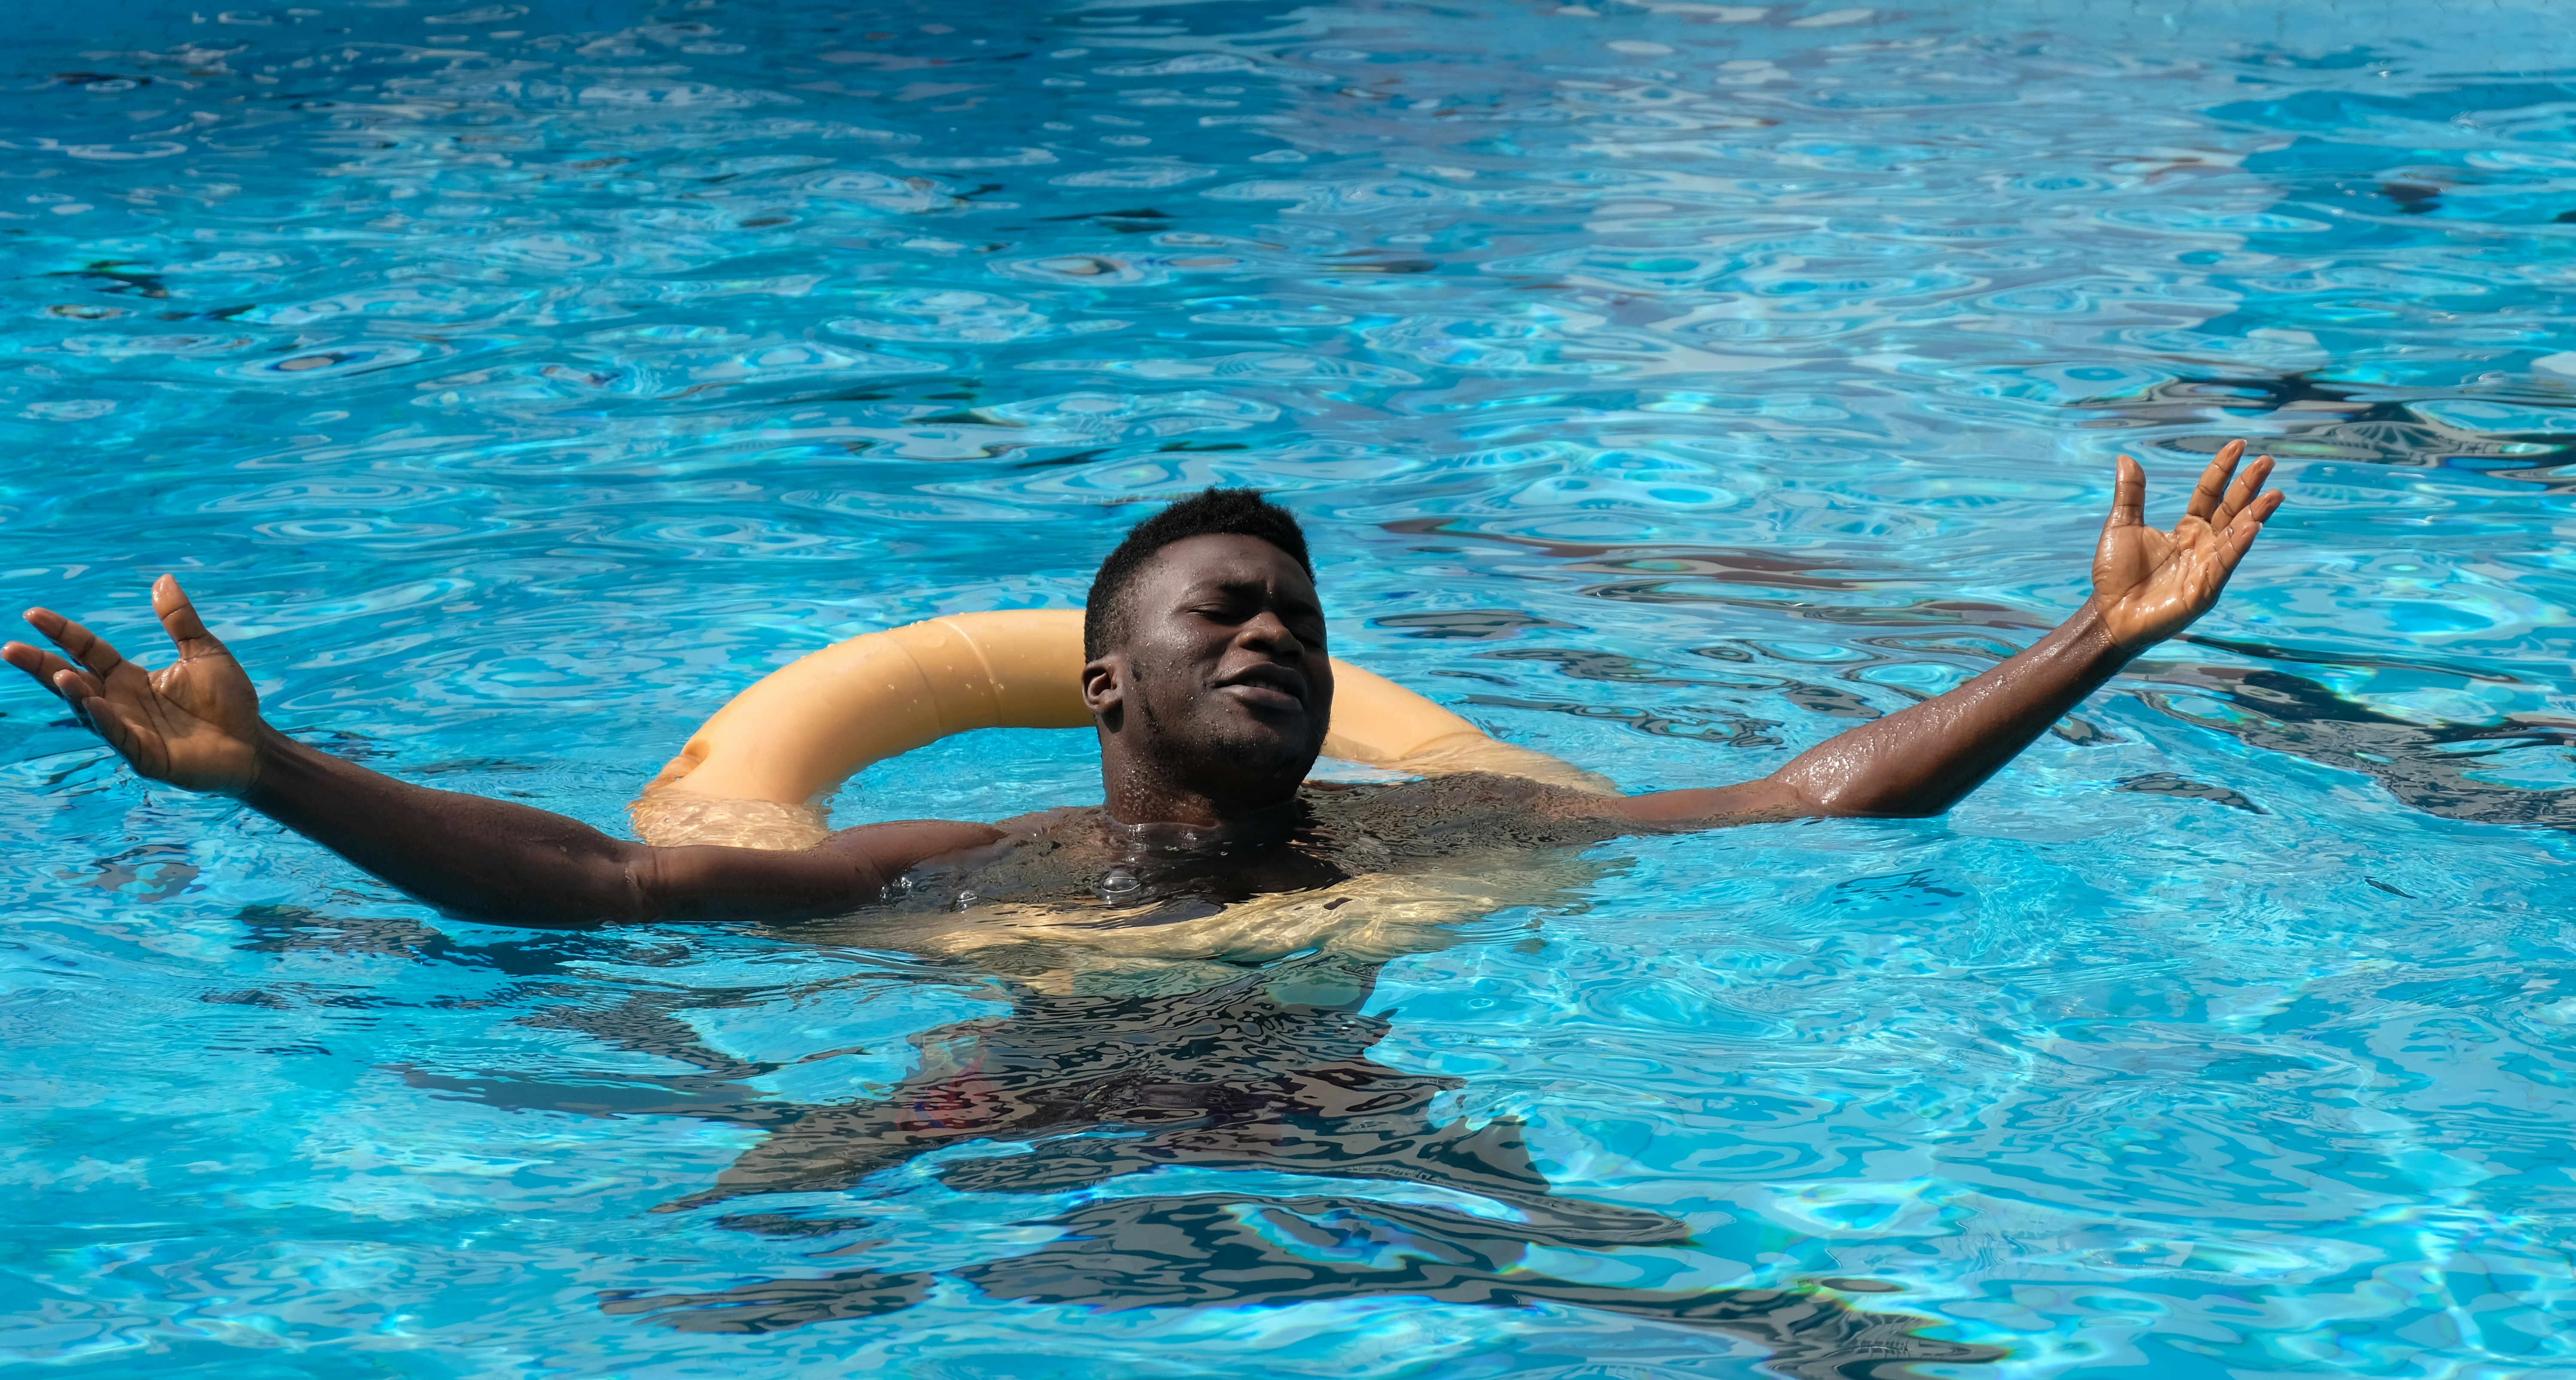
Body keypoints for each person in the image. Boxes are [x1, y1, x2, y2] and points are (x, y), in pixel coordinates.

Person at [3, 444, 2283, 926]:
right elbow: (597, 881)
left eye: (1296, 614)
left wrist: (2094, 640)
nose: (1275, 634)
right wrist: (272, 773)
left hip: (1342, 1144)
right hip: (1013, 1144)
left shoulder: (1439, 828)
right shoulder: (976, 870)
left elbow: (1809, 801)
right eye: (1224, 614)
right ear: (1104, 684)